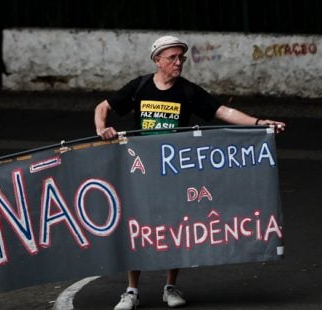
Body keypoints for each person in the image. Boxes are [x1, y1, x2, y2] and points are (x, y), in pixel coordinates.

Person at [94, 35, 286, 310]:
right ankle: (132, 291)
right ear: (157, 60)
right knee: (139, 229)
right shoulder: (139, 87)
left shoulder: (187, 91)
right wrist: (102, 128)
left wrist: (259, 123)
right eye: (172, 57)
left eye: (181, 58)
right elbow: (103, 107)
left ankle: (170, 287)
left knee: (175, 227)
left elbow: (223, 111)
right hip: (142, 172)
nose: (178, 62)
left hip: (175, 173)